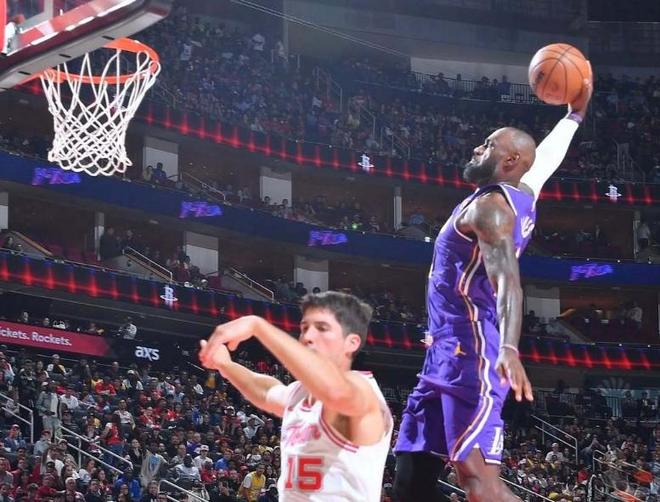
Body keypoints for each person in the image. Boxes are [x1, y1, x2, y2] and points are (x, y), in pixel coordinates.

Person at [393, 76, 593, 502]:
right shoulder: (521, 192)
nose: (475, 149)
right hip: (443, 352)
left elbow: (509, 282)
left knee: (481, 486)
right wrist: (574, 117)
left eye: (487, 145)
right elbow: (545, 159)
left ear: (510, 160)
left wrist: (509, 348)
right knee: (411, 484)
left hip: (473, 352)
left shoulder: (491, 208)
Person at [199, 291, 393, 501]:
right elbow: (263, 390)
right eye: (304, 328)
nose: (307, 336)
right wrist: (225, 365)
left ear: (351, 342)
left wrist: (258, 326)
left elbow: (334, 392)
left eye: (322, 328)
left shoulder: (363, 390)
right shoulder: (299, 394)